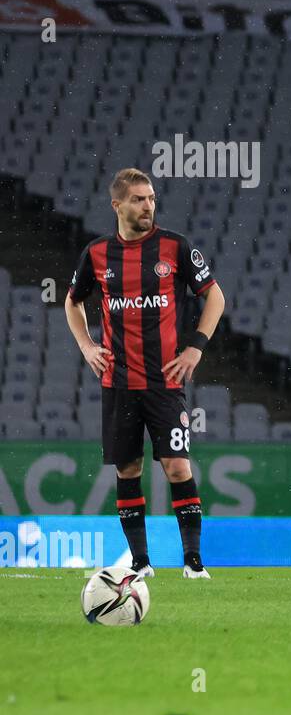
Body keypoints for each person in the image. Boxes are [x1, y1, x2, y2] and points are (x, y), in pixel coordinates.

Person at [65, 167, 226, 579]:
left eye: (151, 198)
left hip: (165, 383)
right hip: (118, 384)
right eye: (139, 199)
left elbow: (215, 298)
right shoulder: (98, 254)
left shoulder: (175, 247)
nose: (148, 206)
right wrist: (87, 346)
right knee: (128, 470)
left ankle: (193, 563)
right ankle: (140, 563)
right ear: (117, 205)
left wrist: (195, 347)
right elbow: (72, 302)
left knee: (177, 467)